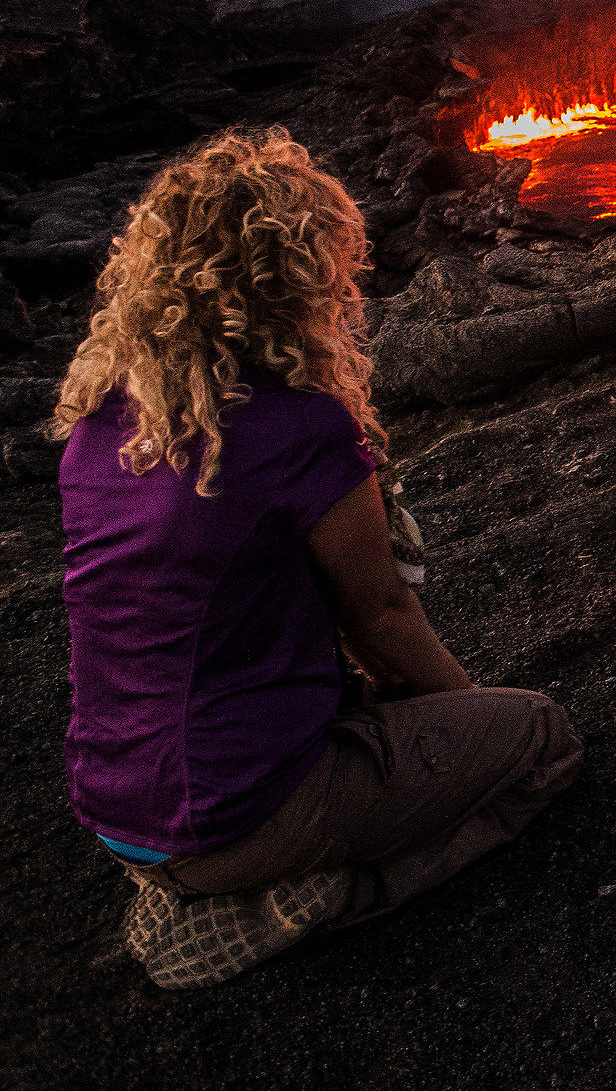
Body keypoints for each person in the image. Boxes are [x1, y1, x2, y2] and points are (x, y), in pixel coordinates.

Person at [48, 126, 582, 989]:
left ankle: (223, 873)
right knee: (540, 738)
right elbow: (382, 618)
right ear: (298, 273)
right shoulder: (296, 429)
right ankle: (315, 896)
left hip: (117, 807)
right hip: (233, 812)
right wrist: (468, 717)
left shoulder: (99, 422)